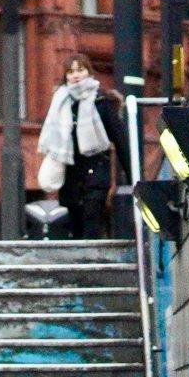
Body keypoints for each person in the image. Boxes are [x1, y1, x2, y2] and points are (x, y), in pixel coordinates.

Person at [37, 55, 126, 239]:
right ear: (65, 76)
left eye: (80, 70)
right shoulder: (61, 103)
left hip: (96, 168)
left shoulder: (102, 102)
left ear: (89, 72)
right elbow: (53, 139)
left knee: (92, 219)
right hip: (71, 172)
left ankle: (92, 262)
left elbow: (120, 139)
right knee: (76, 224)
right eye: (71, 71)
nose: (75, 75)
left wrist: (134, 177)